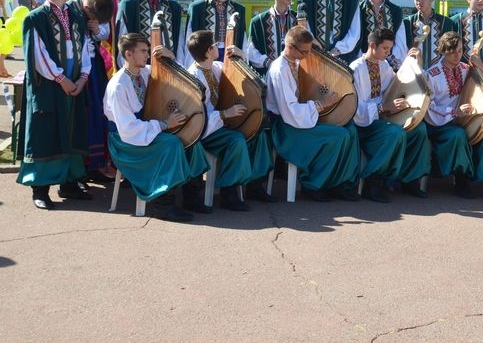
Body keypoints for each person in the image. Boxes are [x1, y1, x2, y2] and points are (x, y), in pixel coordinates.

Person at [16, 0, 92, 209]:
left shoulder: (77, 16)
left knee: (71, 130)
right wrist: (62, 79)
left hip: (74, 80)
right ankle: (40, 188)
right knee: (46, 133)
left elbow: (86, 49)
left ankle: (69, 183)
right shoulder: (35, 18)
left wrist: (82, 77)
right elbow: (39, 55)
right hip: (49, 85)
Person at [104, 33, 198, 222]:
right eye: (144, 51)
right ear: (128, 54)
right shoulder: (118, 86)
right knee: (171, 143)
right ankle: (163, 204)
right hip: (125, 141)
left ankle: (190, 196)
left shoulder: (145, 72)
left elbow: (176, 76)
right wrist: (164, 124)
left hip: (146, 129)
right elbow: (128, 129)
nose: (148, 55)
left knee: (191, 139)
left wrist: (170, 56)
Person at [265, 26, 361, 201]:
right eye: (304, 51)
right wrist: (321, 104)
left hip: (301, 119)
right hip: (286, 128)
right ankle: (313, 184)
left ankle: (340, 183)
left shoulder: (294, 62)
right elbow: (290, 111)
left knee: (351, 131)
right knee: (338, 135)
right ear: (290, 47)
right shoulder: (280, 70)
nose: (307, 55)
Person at [186, 30, 273, 211]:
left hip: (223, 125)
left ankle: (254, 185)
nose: (219, 47)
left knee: (259, 133)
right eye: (215, 45)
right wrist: (225, 114)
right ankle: (229, 192)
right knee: (236, 140)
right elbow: (196, 117)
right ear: (209, 51)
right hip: (204, 131)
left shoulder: (217, 67)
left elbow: (245, 77)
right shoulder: (193, 77)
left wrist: (242, 56)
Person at [424, 31, 483, 202]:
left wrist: (481, 69)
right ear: (443, 51)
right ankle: (461, 180)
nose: (457, 55)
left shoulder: (465, 69)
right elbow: (429, 107)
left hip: (464, 119)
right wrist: (454, 112)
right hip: (441, 124)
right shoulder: (432, 74)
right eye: (452, 51)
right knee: (458, 135)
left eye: (461, 50)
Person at [349, 28, 431, 201]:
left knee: (419, 129)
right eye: (385, 49)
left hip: (382, 119)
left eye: (390, 49)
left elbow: (396, 87)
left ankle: (409, 179)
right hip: (364, 124)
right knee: (395, 133)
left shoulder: (384, 66)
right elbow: (356, 108)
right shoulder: (356, 69)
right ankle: (373, 181)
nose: (388, 53)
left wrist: (416, 64)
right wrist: (383, 108)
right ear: (372, 45)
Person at [68, 0, 115, 181]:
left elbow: (105, 33)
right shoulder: (70, 9)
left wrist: (97, 30)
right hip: (76, 71)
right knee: (82, 117)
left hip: (94, 70)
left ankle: (94, 166)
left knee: (98, 113)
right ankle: (78, 170)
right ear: (86, 8)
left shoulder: (96, 8)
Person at [115, 0, 185, 67]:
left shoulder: (173, 6)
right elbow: (122, 41)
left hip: (169, 69)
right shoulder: (129, 5)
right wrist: (128, 72)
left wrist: (177, 63)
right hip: (139, 70)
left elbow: (179, 42)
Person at [184, 0, 247, 66]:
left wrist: (243, 58)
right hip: (205, 56)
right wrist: (190, 65)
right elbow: (189, 40)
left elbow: (243, 39)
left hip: (231, 55)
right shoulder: (197, 8)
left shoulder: (239, 9)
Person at [393, 0, 456, 70]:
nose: (418, 2)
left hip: (440, 76)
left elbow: (452, 51)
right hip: (414, 75)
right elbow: (400, 52)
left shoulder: (447, 23)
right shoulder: (406, 23)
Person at [247, 0, 298, 76]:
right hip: (269, 75)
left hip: (294, 75)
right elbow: (251, 52)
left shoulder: (298, 19)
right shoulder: (258, 21)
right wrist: (270, 63)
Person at [357, 0, 403, 70]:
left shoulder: (395, 10)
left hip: (389, 66)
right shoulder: (358, 9)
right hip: (364, 64)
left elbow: (400, 41)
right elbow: (356, 38)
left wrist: (393, 63)